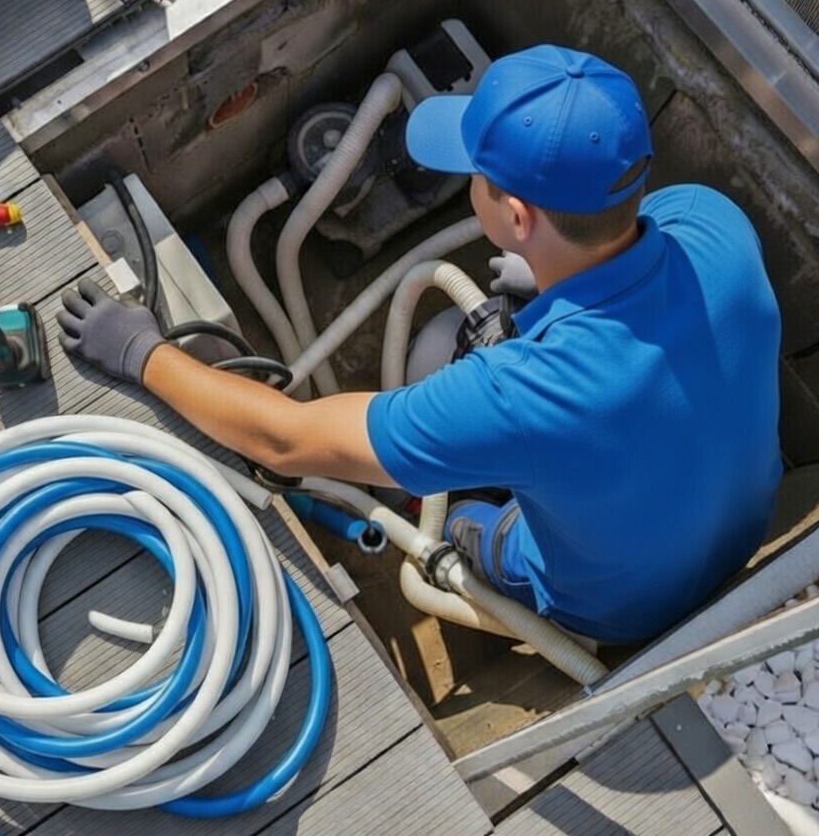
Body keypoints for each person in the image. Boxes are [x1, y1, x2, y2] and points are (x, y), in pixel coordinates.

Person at [56, 44, 782, 644]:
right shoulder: (711, 223)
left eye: (476, 171)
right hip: (745, 524)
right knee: (457, 348)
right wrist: (545, 288)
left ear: (519, 216)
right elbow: (618, 267)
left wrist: (142, 353)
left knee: (465, 517)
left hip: (620, 613)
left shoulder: (517, 396)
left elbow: (283, 438)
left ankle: (418, 516)